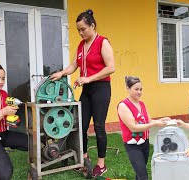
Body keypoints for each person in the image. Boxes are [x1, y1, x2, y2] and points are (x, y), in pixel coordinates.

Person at [50, 9, 115, 177]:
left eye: (83, 29)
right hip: (86, 91)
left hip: (101, 89)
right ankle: (84, 159)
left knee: (99, 126)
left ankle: (101, 164)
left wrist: (88, 78)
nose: (80, 33)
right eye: (78, 30)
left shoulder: (102, 42)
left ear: (92, 26)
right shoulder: (81, 45)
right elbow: (74, 66)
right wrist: (62, 73)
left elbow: (111, 68)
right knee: (81, 126)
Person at [117, 76, 168, 180]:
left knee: (140, 173)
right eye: (136, 89)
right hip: (133, 145)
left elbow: (148, 121)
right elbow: (133, 128)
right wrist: (155, 124)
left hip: (145, 142)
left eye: (141, 89)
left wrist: (161, 120)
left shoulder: (141, 104)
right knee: (143, 175)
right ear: (127, 88)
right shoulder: (123, 105)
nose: (139, 92)